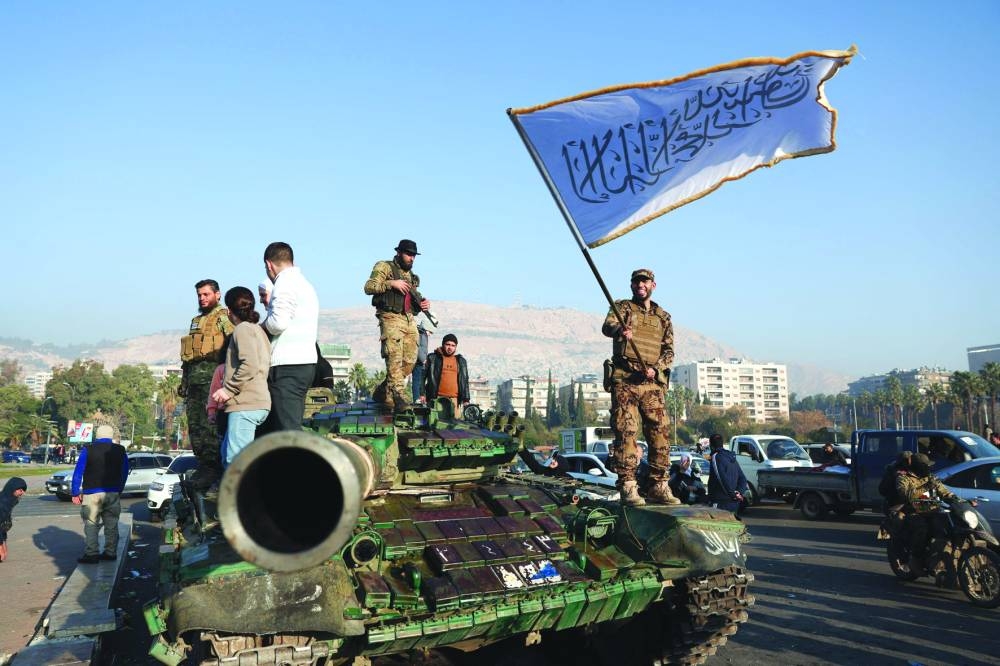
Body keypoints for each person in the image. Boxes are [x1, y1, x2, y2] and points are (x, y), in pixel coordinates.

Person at [601, 268, 678, 506]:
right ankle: (628, 485)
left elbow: (669, 350)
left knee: (660, 433)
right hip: (625, 381)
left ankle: (658, 485)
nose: (640, 285)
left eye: (644, 282)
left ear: (653, 285)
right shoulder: (622, 307)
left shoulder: (663, 316)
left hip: (651, 383)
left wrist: (656, 368)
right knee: (626, 431)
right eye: (636, 282)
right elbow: (607, 327)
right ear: (632, 285)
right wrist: (620, 331)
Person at [363, 239, 431, 411]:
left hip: (408, 318)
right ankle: (399, 397)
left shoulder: (411, 277)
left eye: (414, 255)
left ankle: (383, 390)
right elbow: (369, 287)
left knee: (409, 361)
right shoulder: (385, 267)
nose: (412, 258)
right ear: (399, 253)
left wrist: (422, 303)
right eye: (409, 254)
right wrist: (391, 283)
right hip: (390, 317)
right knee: (394, 357)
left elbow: (413, 298)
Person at [260, 242, 319, 433]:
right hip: (304, 364)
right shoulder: (304, 283)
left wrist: (260, 329)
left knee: (287, 431)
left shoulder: (284, 283)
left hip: (287, 367)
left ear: (269, 264)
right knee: (290, 424)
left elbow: (278, 323)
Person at [180, 279, 234, 488]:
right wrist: (184, 380)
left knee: (209, 425)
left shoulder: (222, 317)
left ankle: (213, 468)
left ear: (217, 295)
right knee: (195, 426)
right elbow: (190, 354)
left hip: (212, 381)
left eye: (206, 294)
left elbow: (232, 343)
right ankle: (203, 464)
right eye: (199, 295)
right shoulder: (196, 321)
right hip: (194, 381)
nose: (202, 298)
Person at [212, 287, 272, 467]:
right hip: (254, 403)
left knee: (236, 462)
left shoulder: (242, 330)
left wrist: (228, 390)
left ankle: (242, 495)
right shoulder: (257, 330)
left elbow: (250, 365)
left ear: (229, 311)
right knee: (227, 456)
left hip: (246, 404)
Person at [895, 452, 967, 575]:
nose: (928, 468)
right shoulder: (903, 478)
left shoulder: (930, 477)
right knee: (922, 529)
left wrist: (958, 500)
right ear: (917, 466)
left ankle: (945, 558)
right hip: (913, 512)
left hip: (933, 511)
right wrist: (926, 487)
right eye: (925, 466)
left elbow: (944, 492)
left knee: (951, 527)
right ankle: (915, 558)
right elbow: (907, 495)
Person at [71, 425, 129, 564]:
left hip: (92, 493)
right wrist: (118, 489)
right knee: (112, 524)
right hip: (112, 492)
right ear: (111, 436)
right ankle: (110, 552)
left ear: (97, 435)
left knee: (91, 523)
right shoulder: (120, 450)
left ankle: (92, 554)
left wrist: (75, 492)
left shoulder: (88, 449)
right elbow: (124, 472)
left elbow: (78, 472)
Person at [424, 333, 469, 412]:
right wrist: (421, 394)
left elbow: (465, 381)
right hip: (436, 399)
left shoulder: (461, 361)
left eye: (453, 345)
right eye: (447, 344)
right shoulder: (433, 358)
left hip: (454, 401)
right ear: (443, 344)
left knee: (455, 423)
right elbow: (422, 377)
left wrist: (466, 399)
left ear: (456, 347)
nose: (450, 347)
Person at [707, 434, 749, 513]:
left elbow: (721, 478)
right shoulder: (731, 458)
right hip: (733, 502)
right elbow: (743, 478)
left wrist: (732, 494)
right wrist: (738, 492)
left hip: (720, 502)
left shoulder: (716, 457)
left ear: (711, 446)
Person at [0, 477, 28, 563]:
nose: (23, 493)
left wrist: (4, 544)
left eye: (23, 490)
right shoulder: (3, 504)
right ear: (12, 489)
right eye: (20, 490)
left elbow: (2, 527)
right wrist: (1, 548)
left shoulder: (9, 500)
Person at [411, 320, 432, 402]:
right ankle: (416, 398)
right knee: (417, 380)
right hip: (418, 361)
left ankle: (417, 397)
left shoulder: (420, 334)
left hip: (417, 360)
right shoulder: (422, 335)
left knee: (417, 380)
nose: (430, 334)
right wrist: (423, 359)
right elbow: (419, 349)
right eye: (430, 331)